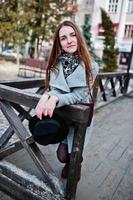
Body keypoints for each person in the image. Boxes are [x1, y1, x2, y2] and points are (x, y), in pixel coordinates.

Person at [35, 20, 99, 180]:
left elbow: (80, 95)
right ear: (60, 43)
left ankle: (76, 165)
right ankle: (71, 162)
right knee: (62, 156)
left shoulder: (91, 66)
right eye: (63, 38)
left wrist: (55, 97)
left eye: (72, 35)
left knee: (73, 155)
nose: (69, 40)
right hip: (63, 115)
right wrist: (46, 95)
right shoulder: (56, 65)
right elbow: (54, 87)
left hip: (79, 118)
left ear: (79, 37)